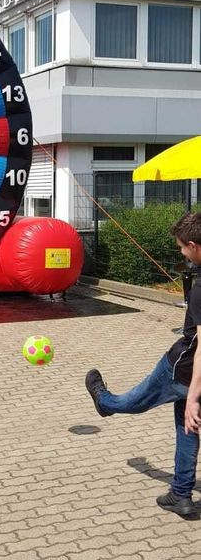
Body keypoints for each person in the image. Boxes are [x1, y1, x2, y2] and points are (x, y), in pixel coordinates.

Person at [85, 212, 201, 520]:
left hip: (183, 369)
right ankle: (181, 494)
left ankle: (104, 401)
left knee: (134, 401)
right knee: (186, 428)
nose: (181, 254)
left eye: (182, 248)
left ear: (194, 245)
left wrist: (192, 396)